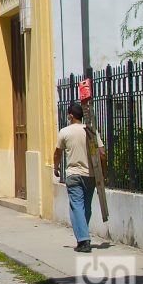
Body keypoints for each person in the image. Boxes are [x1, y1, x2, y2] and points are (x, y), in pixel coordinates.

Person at [53, 102, 106, 253]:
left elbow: (57, 153)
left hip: (74, 174)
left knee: (76, 206)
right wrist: (103, 172)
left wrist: (56, 167)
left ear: (70, 115)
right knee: (86, 207)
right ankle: (82, 237)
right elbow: (102, 154)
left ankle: (84, 240)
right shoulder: (90, 131)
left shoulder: (65, 132)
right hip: (90, 175)